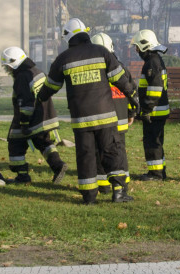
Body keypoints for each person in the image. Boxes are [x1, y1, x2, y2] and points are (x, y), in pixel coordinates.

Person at [37, 18, 138, 204]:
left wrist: (39, 99)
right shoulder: (102, 52)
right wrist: (133, 97)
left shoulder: (63, 59)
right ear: (86, 33)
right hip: (106, 117)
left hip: (81, 120)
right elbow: (121, 79)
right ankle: (118, 192)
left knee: (86, 156)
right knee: (111, 151)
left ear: (67, 37)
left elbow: (50, 87)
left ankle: (90, 197)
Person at [0, 46, 67, 184]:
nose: (8, 71)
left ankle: (22, 176)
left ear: (13, 64)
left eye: (8, 67)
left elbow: (25, 102)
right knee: (44, 142)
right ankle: (58, 166)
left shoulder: (22, 77)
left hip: (30, 119)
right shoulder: (37, 71)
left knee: (15, 144)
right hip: (46, 116)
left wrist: (24, 124)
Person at [90, 32, 139, 197]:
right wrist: (131, 112)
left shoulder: (94, 70)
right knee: (119, 151)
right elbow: (131, 90)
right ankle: (121, 186)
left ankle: (103, 185)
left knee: (99, 150)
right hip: (121, 117)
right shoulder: (121, 67)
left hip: (102, 118)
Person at [131, 29, 170, 181]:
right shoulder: (155, 60)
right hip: (158, 111)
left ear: (144, 46)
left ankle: (156, 174)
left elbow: (155, 89)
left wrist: (146, 109)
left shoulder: (152, 63)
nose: (136, 50)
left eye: (137, 47)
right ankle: (160, 171)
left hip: (154, 112)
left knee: (152, 142)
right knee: (157, 141)